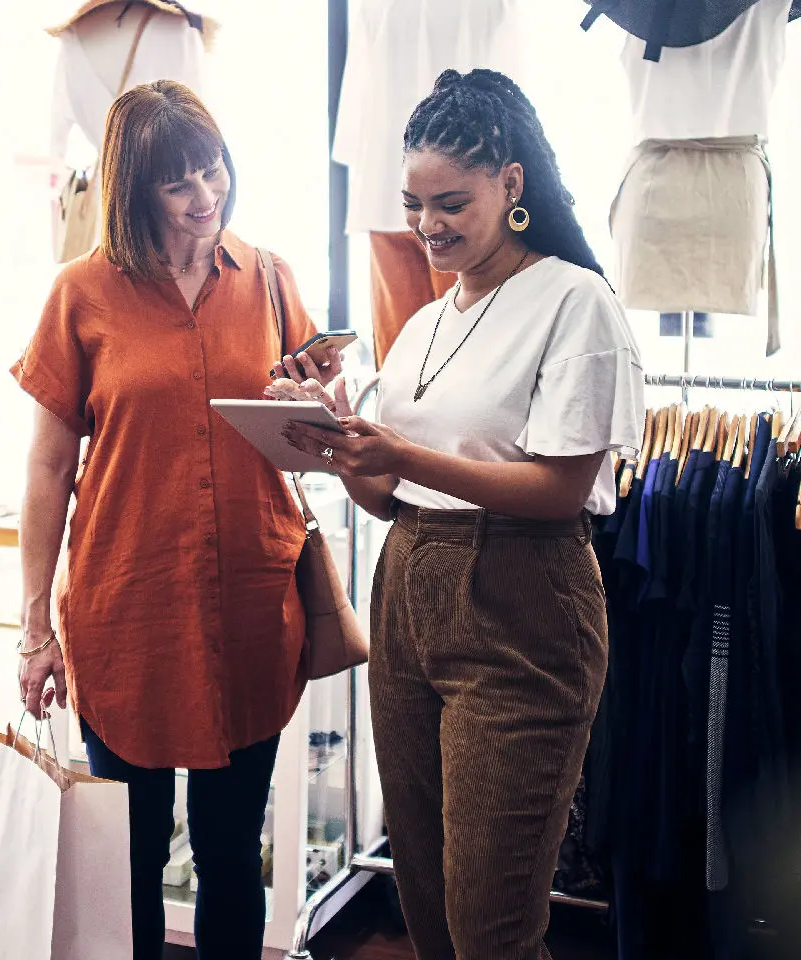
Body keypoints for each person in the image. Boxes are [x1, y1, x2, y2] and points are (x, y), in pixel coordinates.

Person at [280, 68, 644, 959]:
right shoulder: (425, 325)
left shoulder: (573, 301)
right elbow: (386, 495)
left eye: (450, 203)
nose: (427, 226)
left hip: (522, 605)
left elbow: (562, 490)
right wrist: (333, 435)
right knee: (431, 912)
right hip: (407, 596)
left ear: (511, 185)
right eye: (411, 204)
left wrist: (398, 452)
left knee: (491, 925)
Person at [11, 79, 341, 960]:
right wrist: (33, 625)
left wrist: (317, 409)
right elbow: (48, 467)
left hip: (250, 605)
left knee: (234, 853)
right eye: (179, 184)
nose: (207, 198)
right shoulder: (80, 295)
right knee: (134, 857)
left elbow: (311, 438)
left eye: (214, 170)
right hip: (128, 609)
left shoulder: (270, 279)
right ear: (133, 191)